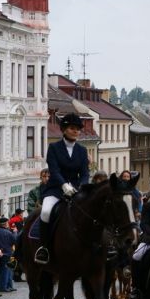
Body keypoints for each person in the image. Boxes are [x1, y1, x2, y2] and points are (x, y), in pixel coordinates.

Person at [35, 113, 90, 264]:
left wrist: (81, 187)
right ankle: (44, 248)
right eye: (72, 128)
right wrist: (63, 185)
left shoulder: (82, 150)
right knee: (46, 211)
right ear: (64, 129)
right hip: (56, 190)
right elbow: (54, 170)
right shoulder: (53, 148)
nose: (76, 131)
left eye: (78, 129)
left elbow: (85, 173)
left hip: (76, 190)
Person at [0, 217, 17, 292]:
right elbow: (15, 241)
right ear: (5, 224)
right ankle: (4, 286)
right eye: (7, 223)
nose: (8, 224)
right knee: (6, 270)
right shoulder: (8, 233)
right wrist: (15, 232)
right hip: (7, 253)